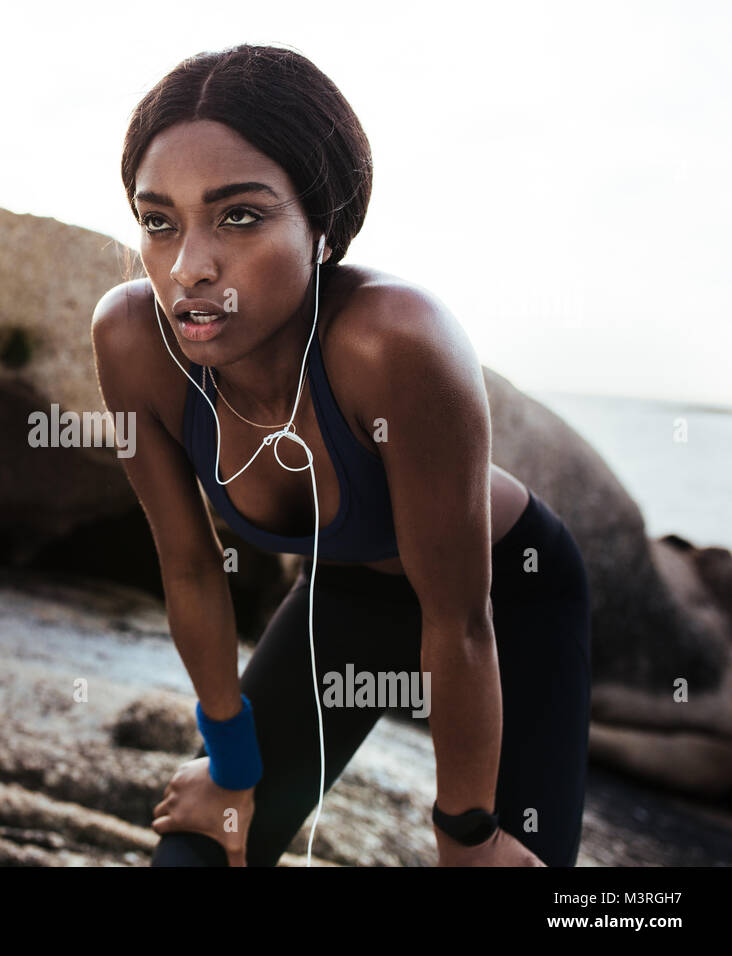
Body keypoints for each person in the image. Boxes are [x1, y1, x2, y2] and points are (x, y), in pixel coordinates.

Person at [90, 43, 592, 867]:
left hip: (507, 602)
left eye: (239, 216)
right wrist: (232, 768)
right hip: (346, 595)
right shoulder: (132, 340)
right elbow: (187, 565)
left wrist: (467, 834)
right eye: (158, 221)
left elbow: (458, 623)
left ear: (323, 228)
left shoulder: (397, 343)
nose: (189, 266)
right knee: (196, 854)